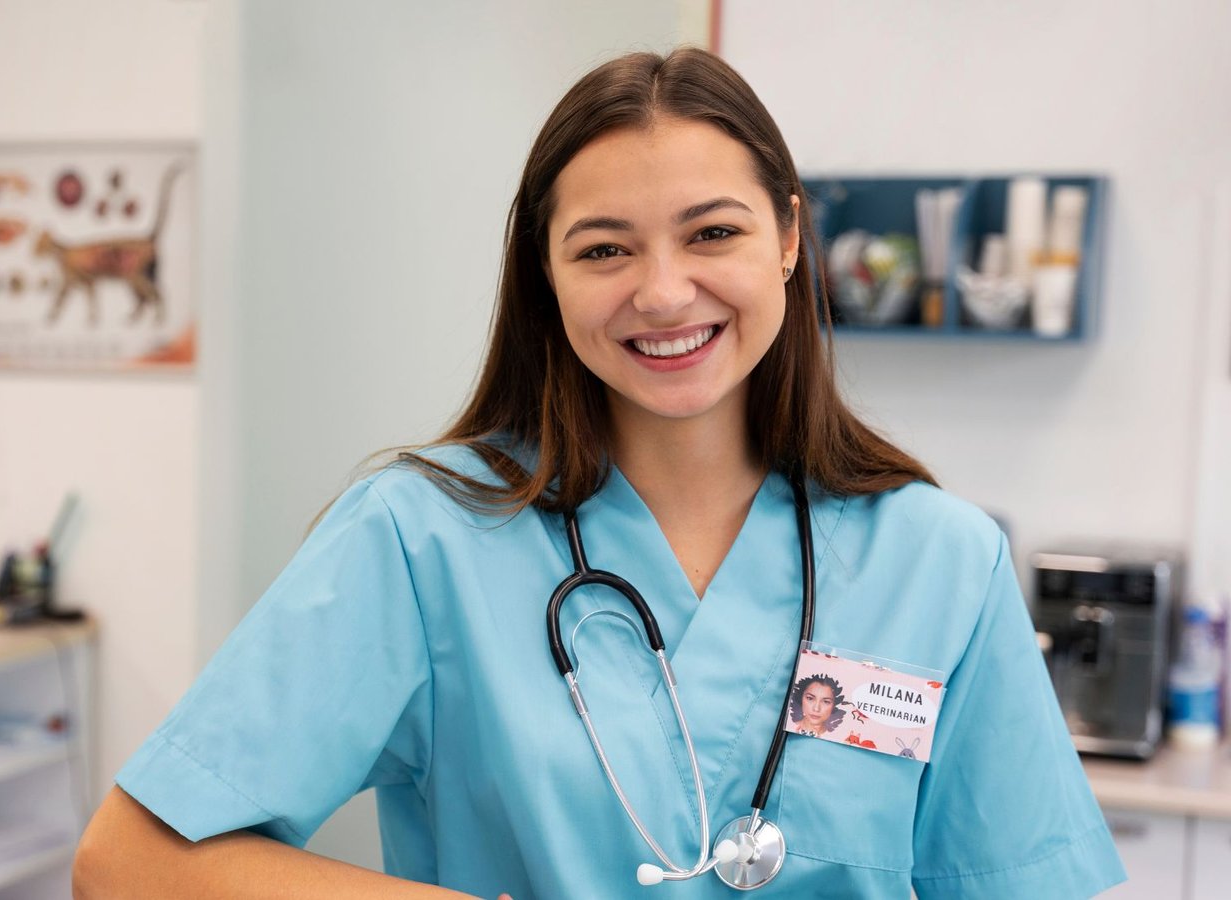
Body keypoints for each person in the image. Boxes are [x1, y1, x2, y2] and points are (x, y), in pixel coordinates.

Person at [73, 47, 1125, 899]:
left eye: (712, 231)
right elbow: (128, 862)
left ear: (790, 236)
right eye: (603, 249)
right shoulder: (422, 536)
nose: (664, 293)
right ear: (547, 273)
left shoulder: (939, 559)